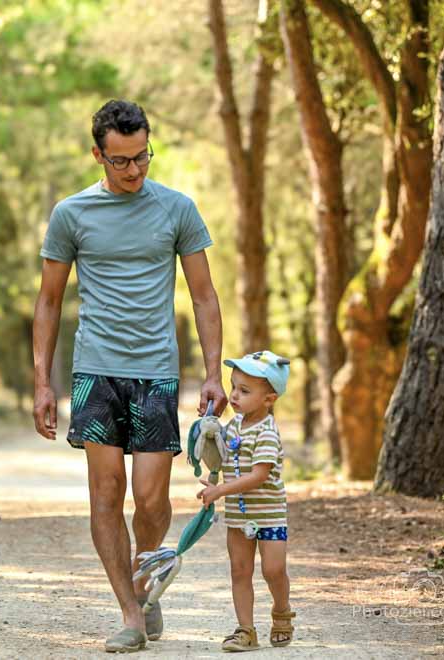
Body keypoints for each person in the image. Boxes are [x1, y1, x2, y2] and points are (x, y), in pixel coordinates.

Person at [32, 99, 226, 653]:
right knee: (105, 492)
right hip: (95, 371)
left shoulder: (177, 208)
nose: (134, 169)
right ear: (98, 155)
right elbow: (49, 302)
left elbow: (204, 296)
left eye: (142, 156)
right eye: (121, 160)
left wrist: (213, 373)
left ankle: (145, 576)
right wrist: (42, 382)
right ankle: (130, 610)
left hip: (156, 371)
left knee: (151, 498)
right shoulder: (71, 214)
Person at [196, 350, 294, 652]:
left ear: (269, 399)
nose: (235, 395)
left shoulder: (267, 432)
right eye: (233, 387)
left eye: (245, 391)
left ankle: (281, 611)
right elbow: (222, 459)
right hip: (238, 517)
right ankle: (246, 630)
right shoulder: (233, 426)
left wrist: (221, 491)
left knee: (273, 570)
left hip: (269, 515)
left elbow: (258, 476)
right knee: (240, 570)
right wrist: (208, 441)